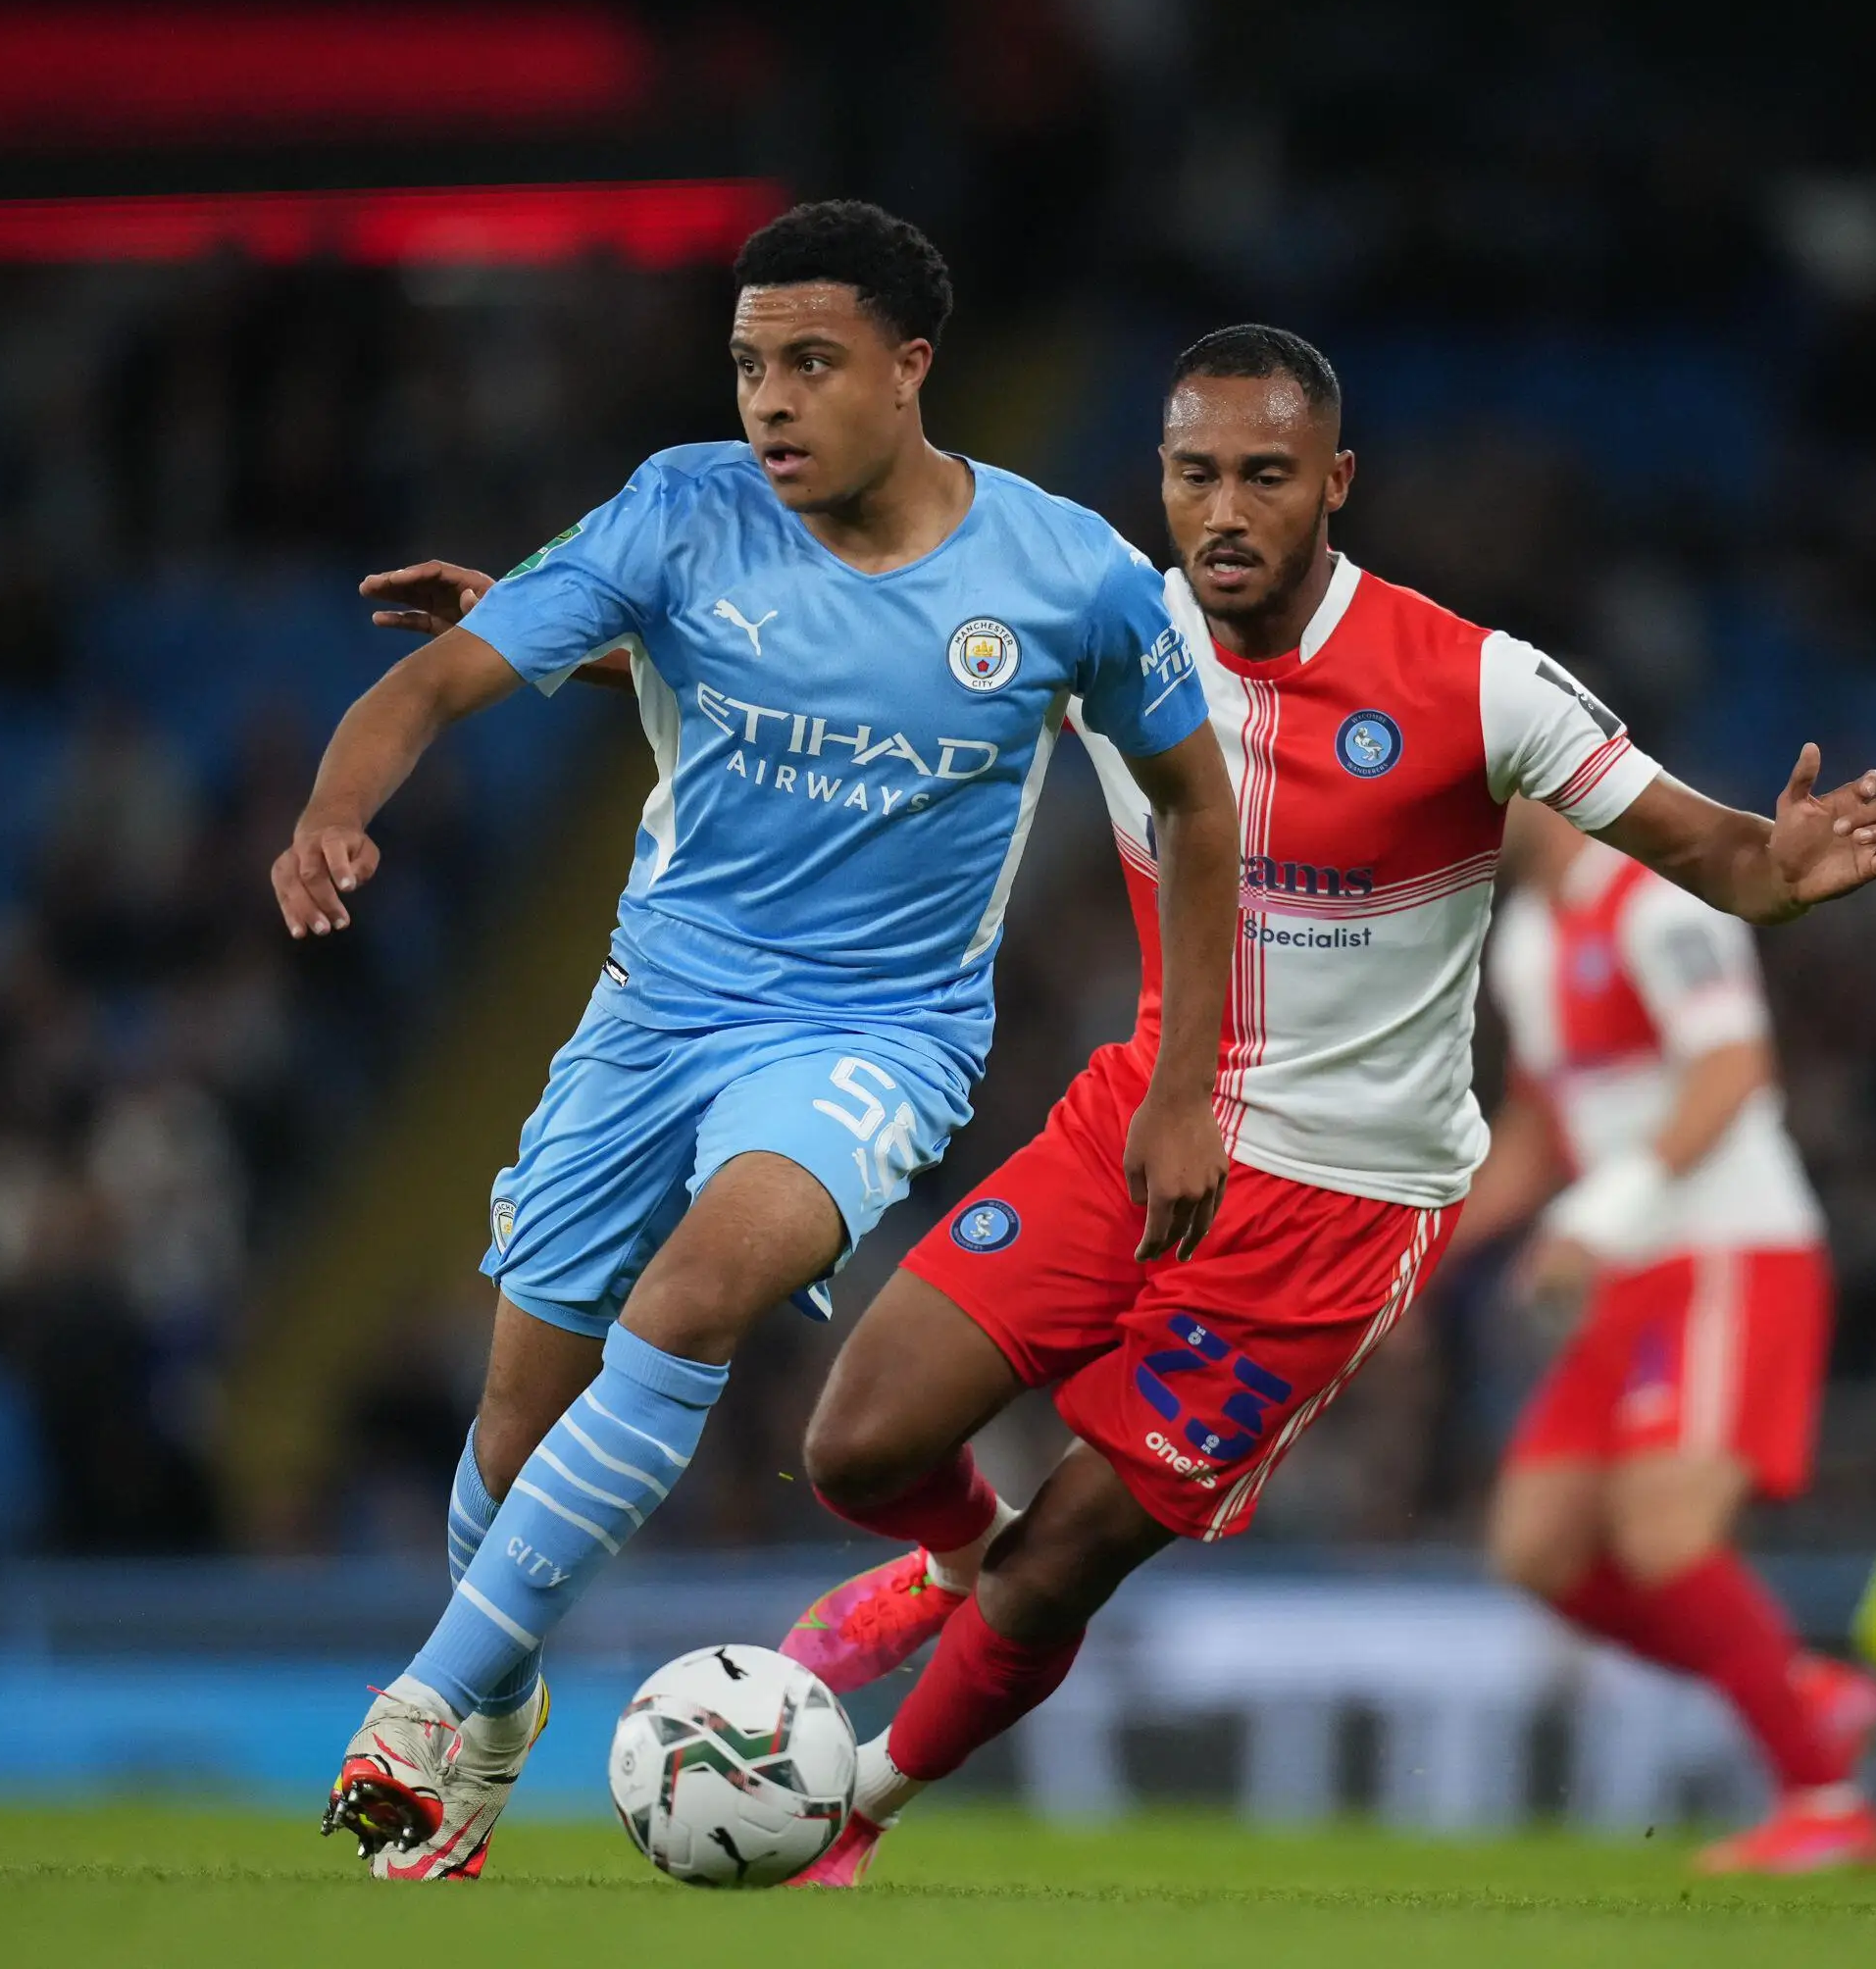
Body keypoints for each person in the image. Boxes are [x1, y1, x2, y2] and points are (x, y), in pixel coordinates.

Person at [770, 326, 1876, 1885]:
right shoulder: (1114, 633)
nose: (1224, 510)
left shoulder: (1472, 679)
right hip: (1141, 1119)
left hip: (1336, 1206)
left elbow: (1720, 856)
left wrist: (1788, 866)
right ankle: (944, 1558)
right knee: (857, 1440)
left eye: (1263, 474)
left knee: (1073, 1554)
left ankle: (854, 1811)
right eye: (1193, 475)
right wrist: (604, 640)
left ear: (1336, 485)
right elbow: (863, 668)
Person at [280, 200, 1239, 1882]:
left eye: (810, 362)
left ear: (911, 366)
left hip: (876, 1032)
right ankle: (498, 1713)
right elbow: (430, 683)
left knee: (707, 1285)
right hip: (652, 1015)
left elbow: (1198, 808)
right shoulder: (681, 512)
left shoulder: (1066, 570)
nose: (770, 402)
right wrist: (332, 816)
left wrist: (1182, 1081)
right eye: (747, 366)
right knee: (512, 1438)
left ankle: (427, 1701)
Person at [1455, 801, 1876, 1873]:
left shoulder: (1658, 899)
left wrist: (1602, 1216)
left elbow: (1734, 1068)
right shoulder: (1527, 937)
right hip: (1627, 1274)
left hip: (1729, 1248)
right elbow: (1537, 1130)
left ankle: (1824, 1798)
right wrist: (1426, 1243)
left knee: (1666, 1534)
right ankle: (1791, 1689)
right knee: (1535, 1545)